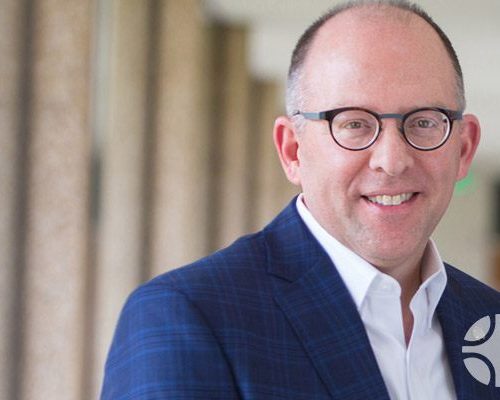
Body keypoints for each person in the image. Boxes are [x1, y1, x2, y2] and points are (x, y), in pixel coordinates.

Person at [101, 1, 500, 399]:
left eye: (425, 121)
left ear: (463, 148)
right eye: (354, 124)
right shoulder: (187, 317)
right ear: (292, 150)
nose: (392, 161)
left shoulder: (490, 320)